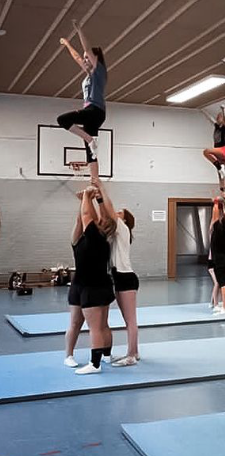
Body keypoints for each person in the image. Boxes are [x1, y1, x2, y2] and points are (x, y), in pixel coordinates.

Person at [64, 186, 116, 374]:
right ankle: (68, 355)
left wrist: (87, 195)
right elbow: (82, 217)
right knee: (76, 323)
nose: (96, 220)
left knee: (98, 326)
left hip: (95, 285)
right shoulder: (83, 238)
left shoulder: (98, 237)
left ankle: (95, 364)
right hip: (80, 285)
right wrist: (85, 201)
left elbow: (87, 216)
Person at [91, 177, 140, 367]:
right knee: (128, 320)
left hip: (126, 278)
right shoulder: (115, 232)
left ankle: (131, 356)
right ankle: (134, 352)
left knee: (130, 320)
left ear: (125, 219)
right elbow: (105, 214)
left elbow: (109, 211)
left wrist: (101, 187)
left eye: (120, 213)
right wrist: (97, 199)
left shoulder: (123, 228)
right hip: (119, 278)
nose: (116, 213)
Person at [58, 20, 107, 180]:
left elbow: (86, 49)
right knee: (90, 151)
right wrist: (67, 44)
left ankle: (88, 137)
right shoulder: (88, 75)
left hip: (95, 110)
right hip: (91, 113)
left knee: (63, 119)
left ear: (95, 59)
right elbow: (78, 56)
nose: (85, 60)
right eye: (85, 59)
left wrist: (79, 30)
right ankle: (95, 180)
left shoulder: (99, 72)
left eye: (88, 58)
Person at [209, 197, 225, 317]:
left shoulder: (218, 229)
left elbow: (215, 216)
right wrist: (224, 203)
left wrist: (216, 203)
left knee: (223, 285)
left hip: (220, 260)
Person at [202, 105, 225, 191]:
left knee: (206, 151)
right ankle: (224, 193)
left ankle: (219, 167)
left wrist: (223, 110)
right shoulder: (217, 126)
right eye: (217, 117)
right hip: (220, 154)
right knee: (221, 176)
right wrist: (203, 111)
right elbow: (210, 119)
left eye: (219, 117)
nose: (217, 118)